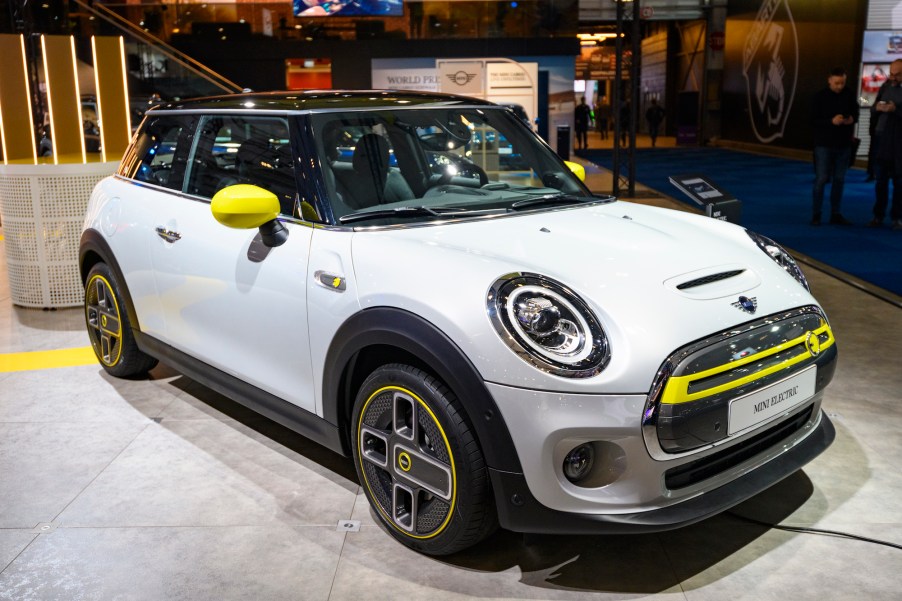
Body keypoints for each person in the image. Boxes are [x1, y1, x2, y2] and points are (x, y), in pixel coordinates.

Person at [810, 67, 858, 226]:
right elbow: (812, 120)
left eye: (842, 83)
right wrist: (831, 121)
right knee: (822, 178)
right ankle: (816, 213)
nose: (840, 86)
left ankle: (835, 213)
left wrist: (851, 119)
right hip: (823, 143)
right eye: (837, 83)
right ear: (829, 80)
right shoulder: (819, 97)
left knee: (839, 179)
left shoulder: (849, 95)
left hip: (843, 144)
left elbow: (856, 112)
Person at [869, 59, 902, 230]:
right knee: (880, 180)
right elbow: (873, 107)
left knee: (899, 182)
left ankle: (897, 217)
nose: (893, 78)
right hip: (882, 139)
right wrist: (879, 108)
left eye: (897, 75)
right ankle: (878, 215)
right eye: (891, 74)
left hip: (899, 142)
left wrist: (896, 110)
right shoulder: (885, 86)